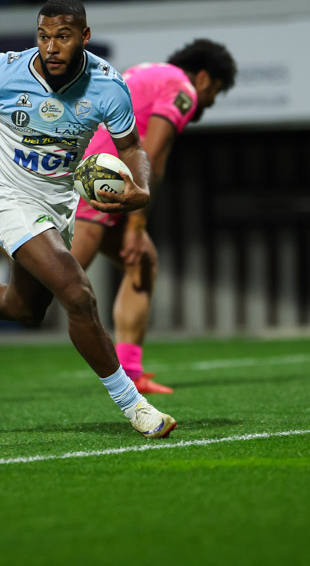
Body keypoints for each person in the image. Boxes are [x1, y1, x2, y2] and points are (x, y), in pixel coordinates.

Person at [0, 0, 176, 439]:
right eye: (43, 37)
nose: (51, 47)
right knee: (78, 294)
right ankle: (135, 407)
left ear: (84, 36)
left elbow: (132, 150)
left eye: (62, 37)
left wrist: (139, 190)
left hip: (58, 205)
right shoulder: (7, 70)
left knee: (23, 306)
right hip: (6, 197)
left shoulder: (107, 85)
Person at [71, 40, 236, 395]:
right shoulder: (183, 90)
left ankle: (130, 371)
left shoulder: (152, 74)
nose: (210, 101)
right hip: (102, 179)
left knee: (142, 263)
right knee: (57, 279)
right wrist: (137, 225)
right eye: (217, 91)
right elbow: (154, 157)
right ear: (205, 78)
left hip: (97, 167)